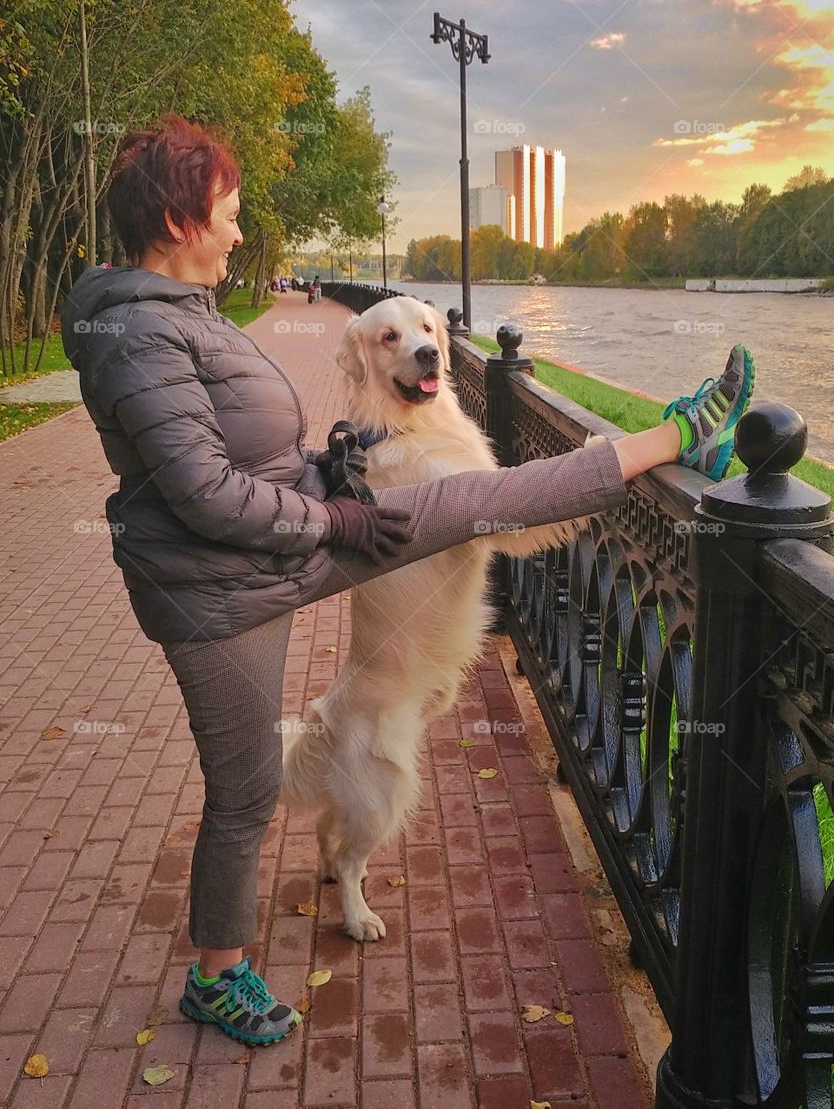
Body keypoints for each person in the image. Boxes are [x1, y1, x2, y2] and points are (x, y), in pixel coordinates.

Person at [60, 114, 755, 1048]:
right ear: (182, 220)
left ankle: (668, 438)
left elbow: (244, 464)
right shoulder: (140, 330)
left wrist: (327, 466)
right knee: (246, 792)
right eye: (226, 210)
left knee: (468, 504)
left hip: (264, 557)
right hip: (217, 586)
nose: (237, 226)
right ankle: (216, 979)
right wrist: (340, 514)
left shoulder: (181, 314)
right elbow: (203, 492)